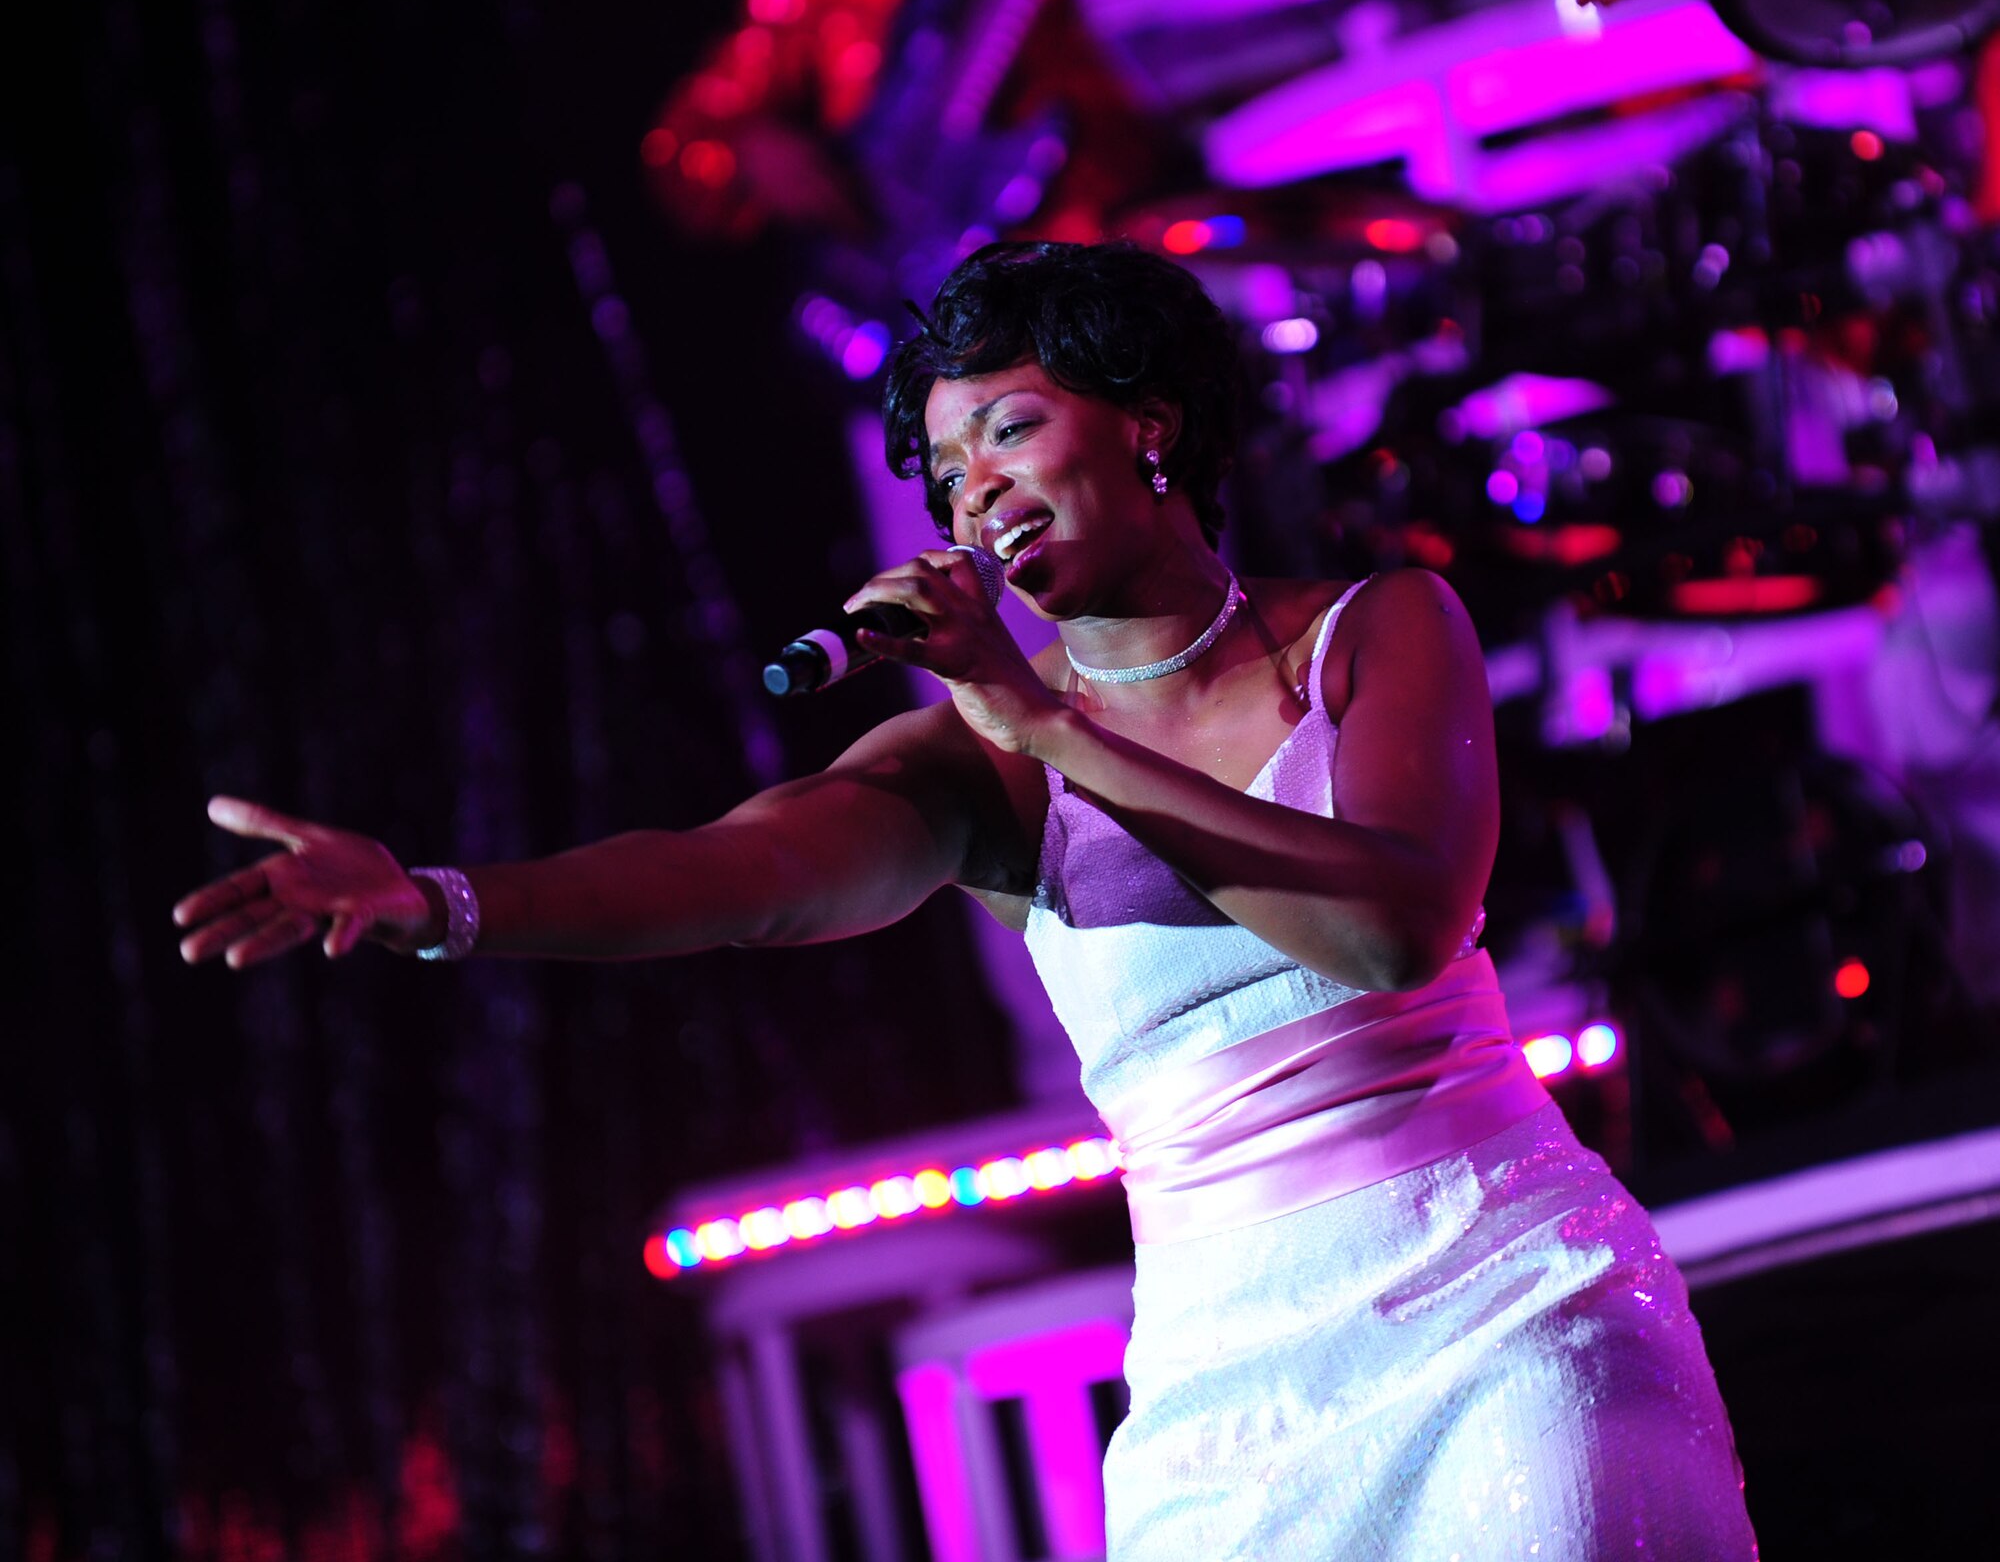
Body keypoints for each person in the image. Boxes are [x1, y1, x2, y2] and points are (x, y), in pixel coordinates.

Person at [176, 240, 1756, 1559]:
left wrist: (1049, 719)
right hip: (1235, 1400)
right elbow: (738, 877)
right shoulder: (978, 766)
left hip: (1510, 1316)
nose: (972, 490)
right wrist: (446, 900)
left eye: (1007, 429)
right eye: (943, 468)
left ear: (1150, 426)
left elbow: (1395, 927)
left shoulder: (1370, 630)